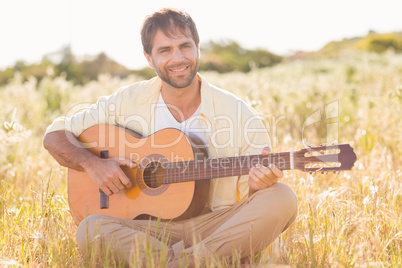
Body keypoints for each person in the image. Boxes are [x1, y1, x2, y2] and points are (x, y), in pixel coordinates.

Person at [43, 8, 298, 266]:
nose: (178, 58)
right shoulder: (126, 101)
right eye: (165, 50)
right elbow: (54, 136)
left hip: (215, 227)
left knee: (282, 197)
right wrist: (93, 164)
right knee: (91, 229)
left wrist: (259, 183)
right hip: (147, 231)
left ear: (197, 48)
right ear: (149, 58)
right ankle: (211, 262)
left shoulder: (238, 113)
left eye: (185, 46)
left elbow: (253, 199)